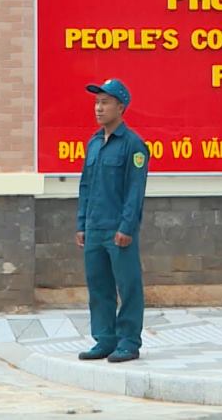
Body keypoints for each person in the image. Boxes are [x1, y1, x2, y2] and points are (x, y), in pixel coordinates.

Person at [75, 78, 150, 364]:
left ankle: (128, 342)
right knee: (98, 287)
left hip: (118, 230)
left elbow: (135, 190)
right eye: (97, 102)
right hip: (94, 228)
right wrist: (81, 224)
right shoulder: (94, 143)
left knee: (128, 286)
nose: (98, 108)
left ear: (121, 107)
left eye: (105, 102)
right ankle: (104, 339)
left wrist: (127, 227)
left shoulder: (133, 145)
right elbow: (85, 186)